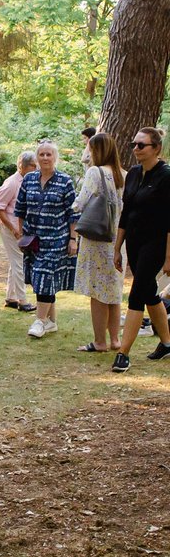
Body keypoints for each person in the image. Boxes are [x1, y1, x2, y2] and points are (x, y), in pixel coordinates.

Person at [110, 127, 170, 373]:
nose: (135, 148)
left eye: (141, 145)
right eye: (134, 144)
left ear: (156, 148)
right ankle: (167, 343)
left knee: (136, 293)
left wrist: (168, 256)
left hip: (155, 243)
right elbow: (126, 213)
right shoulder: (133, 173)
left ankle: (123, 353)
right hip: (134, 241)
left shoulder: (166, 176)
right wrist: (117, 247)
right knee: (149, 292)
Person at [15, 141, 79, 340]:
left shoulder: (64, 181)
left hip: (56, 239)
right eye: (41, 154)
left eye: (48, 154)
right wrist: (20, 234)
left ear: (55, 157)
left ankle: (39, 321)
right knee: (41, 279)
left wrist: (73, 238)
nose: (44, 158)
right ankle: (51, 321)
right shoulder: (29, 179)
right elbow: (20, 208)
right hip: (33, 240)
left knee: (44, 276)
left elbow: (73, 213)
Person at [72, 133, 125, 353]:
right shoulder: (124, 174)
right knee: (113, 291)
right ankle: (115, 339)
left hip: (97, 238)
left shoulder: (95, 172)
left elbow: (80, 203)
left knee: (97, 292)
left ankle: (99, 341)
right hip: (118, 241)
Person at [0, 152, 38, 312]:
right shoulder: (12, 183)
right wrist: (14, 230)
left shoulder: (27, 181)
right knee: (19, 263)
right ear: (22, 166)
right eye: (33, 165)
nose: (36, 168)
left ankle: (11, 298)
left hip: (20, 228)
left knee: (15, 261)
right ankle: (23, 301)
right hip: (10, 227)